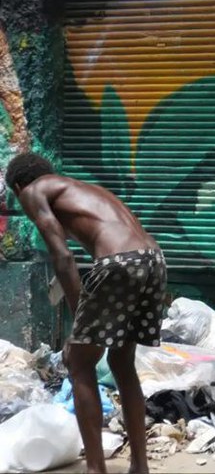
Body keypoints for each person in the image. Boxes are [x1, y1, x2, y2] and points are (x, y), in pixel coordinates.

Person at [5, 153, 166, 474]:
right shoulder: (82, 189)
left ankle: (95, 469)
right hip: (153, 259)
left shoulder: (33, 192)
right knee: (122, 363)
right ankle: (139, 466)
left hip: (120, 262)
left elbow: (62, 258)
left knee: (78, 362)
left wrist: (78, 325)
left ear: (20, 185)